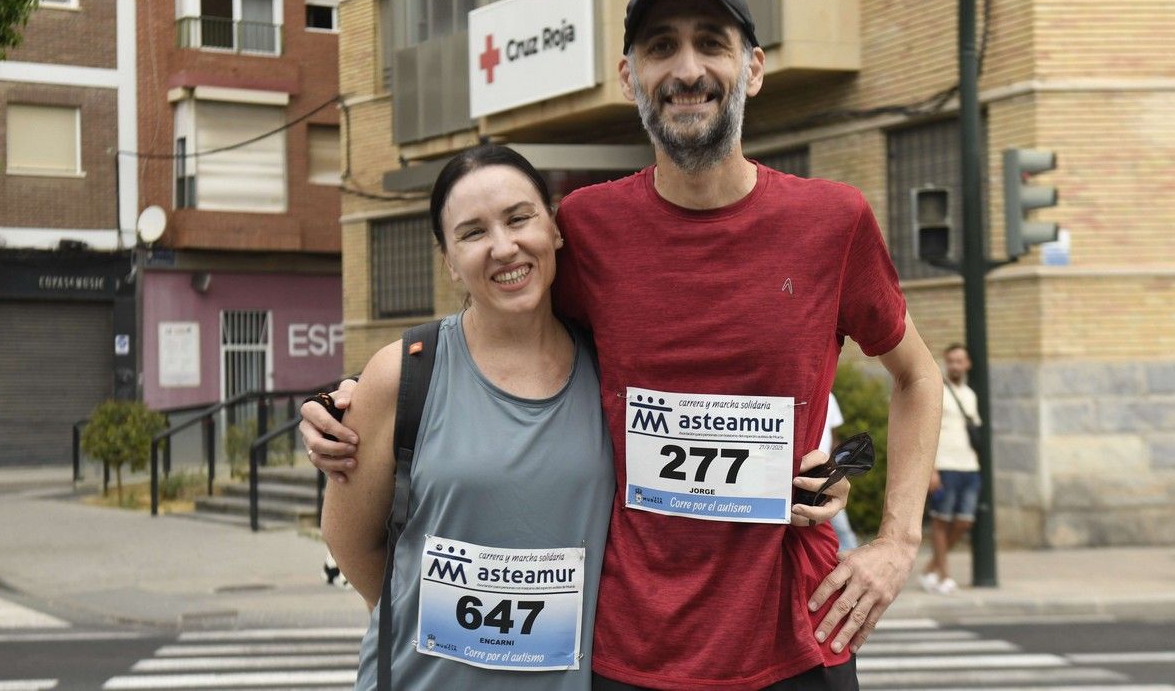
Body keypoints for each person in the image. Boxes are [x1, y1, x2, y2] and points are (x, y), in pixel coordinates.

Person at [305, 0, 941, 690]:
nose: (687, 69)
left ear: (754, 68)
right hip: (629, 652)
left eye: (712, 43)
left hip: (797, 638)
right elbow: (503, 338)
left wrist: (896, 539)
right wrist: (361, 401)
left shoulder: (832, 221)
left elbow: (917, 377)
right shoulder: (586, 227)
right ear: (628, 76)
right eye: (660, 47)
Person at [321, 145, 850, 690]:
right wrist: (415, 615)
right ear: (449, 261)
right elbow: (350, 539)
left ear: (554, 228)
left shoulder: (611, 371)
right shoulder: (404, 373)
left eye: (519, 218)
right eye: (473, 233)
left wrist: (808, 480)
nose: (503, 247)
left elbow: (700, 464)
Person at [919, 343, 982, 595]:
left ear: (967, 364)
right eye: (951, 361)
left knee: (964, 521)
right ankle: (944, 576)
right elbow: (927, 431)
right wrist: (931, 469)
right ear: (946, 363)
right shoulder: (939, 392)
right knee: (940, 522)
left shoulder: (970, 395)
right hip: (944, 465)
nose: (955, 365)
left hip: (969, 466)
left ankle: (930, 569)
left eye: (960, 361)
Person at [822, 393, 860, 554]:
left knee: (841, 528)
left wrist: (838, 468)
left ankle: (851, 562)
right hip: (799, 471)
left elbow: (834, 437)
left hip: (825, 472)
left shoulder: (829, 397)